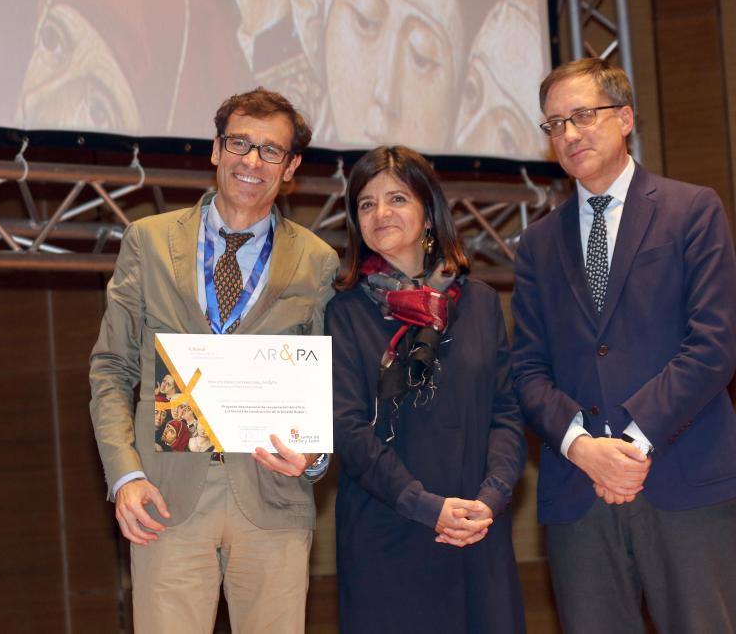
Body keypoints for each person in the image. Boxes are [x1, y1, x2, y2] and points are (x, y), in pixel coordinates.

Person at [89, 87, 339, 633]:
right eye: (239, 144)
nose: (252, 161)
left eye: (271, 150)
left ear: (291, 166)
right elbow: (111, 367)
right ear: (215, 150)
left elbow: (326, 386)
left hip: (273, 496)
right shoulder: (148, 242)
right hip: (166, 495)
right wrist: (125, 474)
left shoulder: (318, 261)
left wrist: (314, 458)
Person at [511, 57, 736, 633]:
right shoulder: (536, 244)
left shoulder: (692, 209)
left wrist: (630, 446)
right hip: (576, 493)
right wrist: (583, 448)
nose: (568, 134)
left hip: (682, 481)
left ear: (626, 117)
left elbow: (713, 345)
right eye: (554, 124)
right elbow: (528, 370)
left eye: (582, 115)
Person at [325, 145, 526, 633]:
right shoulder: (345, 309)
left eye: (397, 198)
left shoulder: (478, 302)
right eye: (366, 203)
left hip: (477, 528)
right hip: (386, 532)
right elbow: (347, 428)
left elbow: (507, 411)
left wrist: (493, 496)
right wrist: (424, 505)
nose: (380, 213)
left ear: (428, 211)